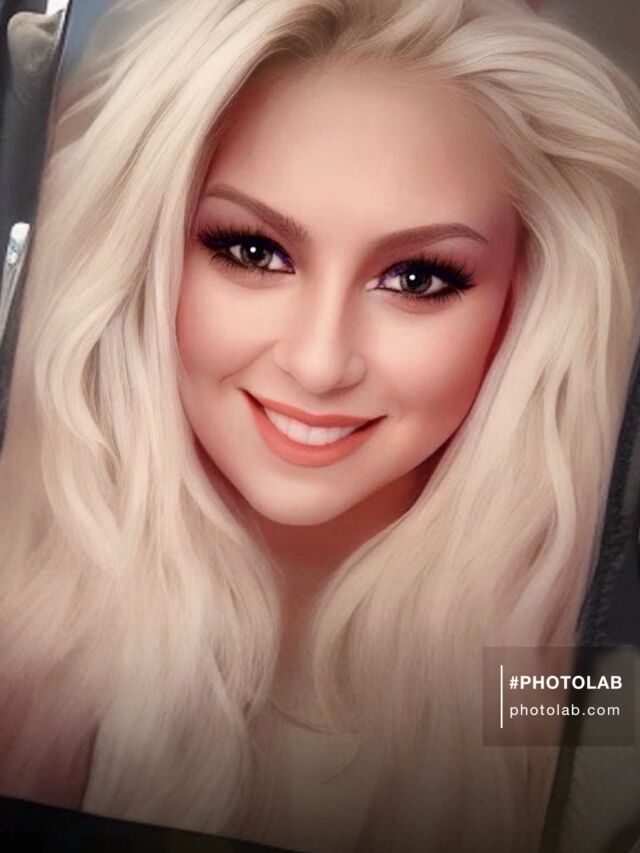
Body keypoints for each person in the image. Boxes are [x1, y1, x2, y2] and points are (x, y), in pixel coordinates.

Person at [0, 0, 639, 850]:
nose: (318, 362)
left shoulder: (574, 694)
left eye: (418, 278)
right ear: (139, 254)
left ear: (527, 301)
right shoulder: (23, 627)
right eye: (253, 251)